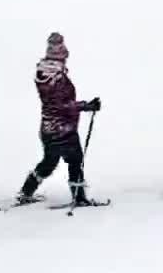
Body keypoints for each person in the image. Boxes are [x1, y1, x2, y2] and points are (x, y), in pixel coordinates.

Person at [15, 32, 101, 206]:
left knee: (49, 162)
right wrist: (86, 106)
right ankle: (79, 197)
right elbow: (62, 105)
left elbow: (55, 104)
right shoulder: (57, 79)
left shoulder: (44, 75)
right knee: (75, 160)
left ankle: (26, 192)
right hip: (64, 129)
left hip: (48, 128)